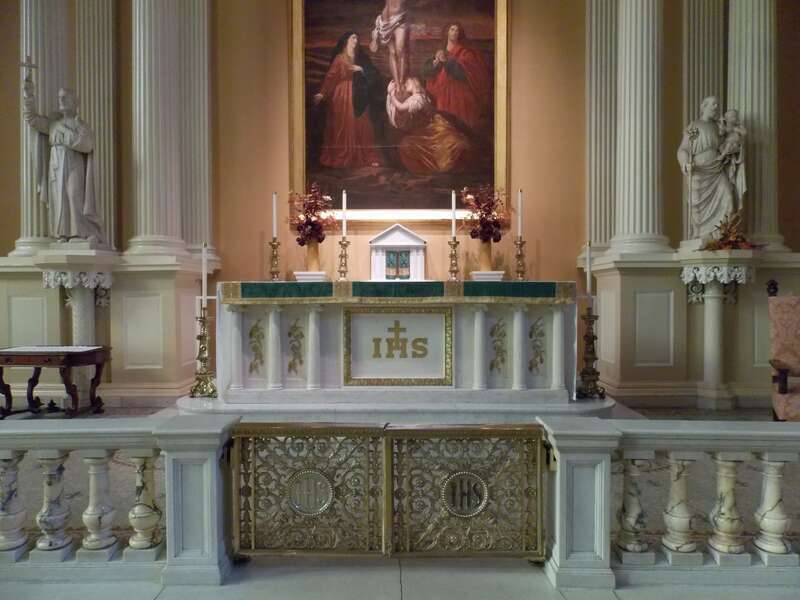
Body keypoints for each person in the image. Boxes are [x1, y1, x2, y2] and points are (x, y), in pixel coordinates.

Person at [21, 80, 105, 243]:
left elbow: (87, 145)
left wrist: (67, 137)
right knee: (59, 197)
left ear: (74, 102)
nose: (61, 100)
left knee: (74, 194)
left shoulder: (81, 124)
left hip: (74, 162)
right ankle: (64, 234)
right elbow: (31, 119)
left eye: (65, 97)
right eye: (60, 97)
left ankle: (80, 232)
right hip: (56, 164)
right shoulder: (53, 124)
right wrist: (29, 95)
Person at [313, 32, 383, 169]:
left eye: (357, 37)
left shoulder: (361, 58)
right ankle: (344, 156)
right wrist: (322, 93)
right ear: (346, 41)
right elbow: (331, 77)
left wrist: (361, 69)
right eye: (353, 38)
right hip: (342, 96)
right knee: (343, 125)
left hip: (359, 95)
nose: (356, 40)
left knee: (363, 125)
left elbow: (374, 74)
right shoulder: (339, 59)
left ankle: (364, 156)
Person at [386, 77, 478, 175]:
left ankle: (447, 161)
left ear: (414, 85)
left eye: (407, 84)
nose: (405, 86)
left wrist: (391, 94)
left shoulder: (417, 99)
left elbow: (400, 107)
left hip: (432, 128)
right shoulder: (420, 96)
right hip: (429, 127)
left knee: (443, 145)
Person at [676, 96, 736, 242]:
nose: (716, 107)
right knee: (699, 208)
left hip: (717, 169)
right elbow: (683, 148)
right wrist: (685, 163)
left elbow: (726, 144)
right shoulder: (694, 126)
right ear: (704, 106)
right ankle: (703, 236)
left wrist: (732, 147)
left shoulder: (718, 127)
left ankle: (722, 236)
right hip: (700, 171)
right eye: (713, 104)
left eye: (718, 104)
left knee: (728, 198)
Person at [422, 23, 492, 134]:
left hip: (459, 96)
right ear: (447, 32)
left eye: (457, 30)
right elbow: (428, 73)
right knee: (444, 128)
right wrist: (435, 63)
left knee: (460, 129)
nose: (455, 32)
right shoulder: (440, 52)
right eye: (452, 29)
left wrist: (447, 61)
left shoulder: (465, 53)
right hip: (443, 94)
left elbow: (465, 74)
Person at [369, 0, 409, 94]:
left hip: (400, 18)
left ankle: (401, 81)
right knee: (392, 52)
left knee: (400, 49)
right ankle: (398, 85)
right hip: (385, 21)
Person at [719, 109, 747, 211]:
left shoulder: (737, 128)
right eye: (731, 116)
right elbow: (721, 132)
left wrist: (736, 129)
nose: (734, 118)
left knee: (732, 185)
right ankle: (722, 155)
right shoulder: (726, 128)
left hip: (733, 154)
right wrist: (722, 122)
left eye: (735, 116)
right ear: (727, 118)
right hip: (727, 152)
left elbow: (744, 133)